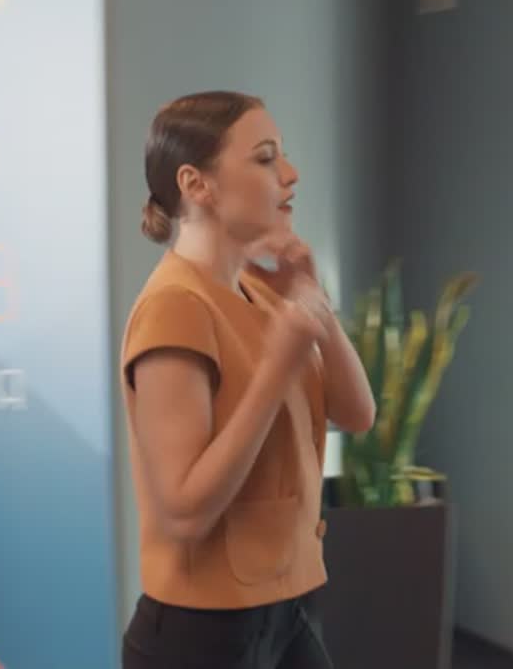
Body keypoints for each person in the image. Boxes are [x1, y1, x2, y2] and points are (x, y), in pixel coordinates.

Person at [118, 90, 375, 668]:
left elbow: (359, 414)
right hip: (201, 633)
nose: (290, 173)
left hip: (287, 606)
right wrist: (276, 368)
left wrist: (313, 297)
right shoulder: (174, 307)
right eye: (265, 158)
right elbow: (185, 512)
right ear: (196, 184)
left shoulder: (262, 291)